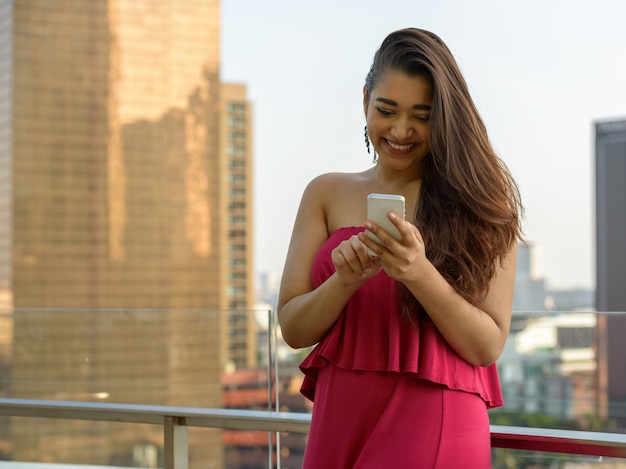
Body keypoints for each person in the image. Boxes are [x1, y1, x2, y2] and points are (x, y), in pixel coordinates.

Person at [277, 27, 523, 468]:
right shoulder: (324, 193)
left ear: (445, 117)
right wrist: (345, 281)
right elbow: (294, 329)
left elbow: (487, 345)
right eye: (386, 109)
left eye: (422, 116)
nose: (401, 130)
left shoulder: (480, 202)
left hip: (435, 417)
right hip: (339, 419)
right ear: (365, 98)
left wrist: (418, 272)